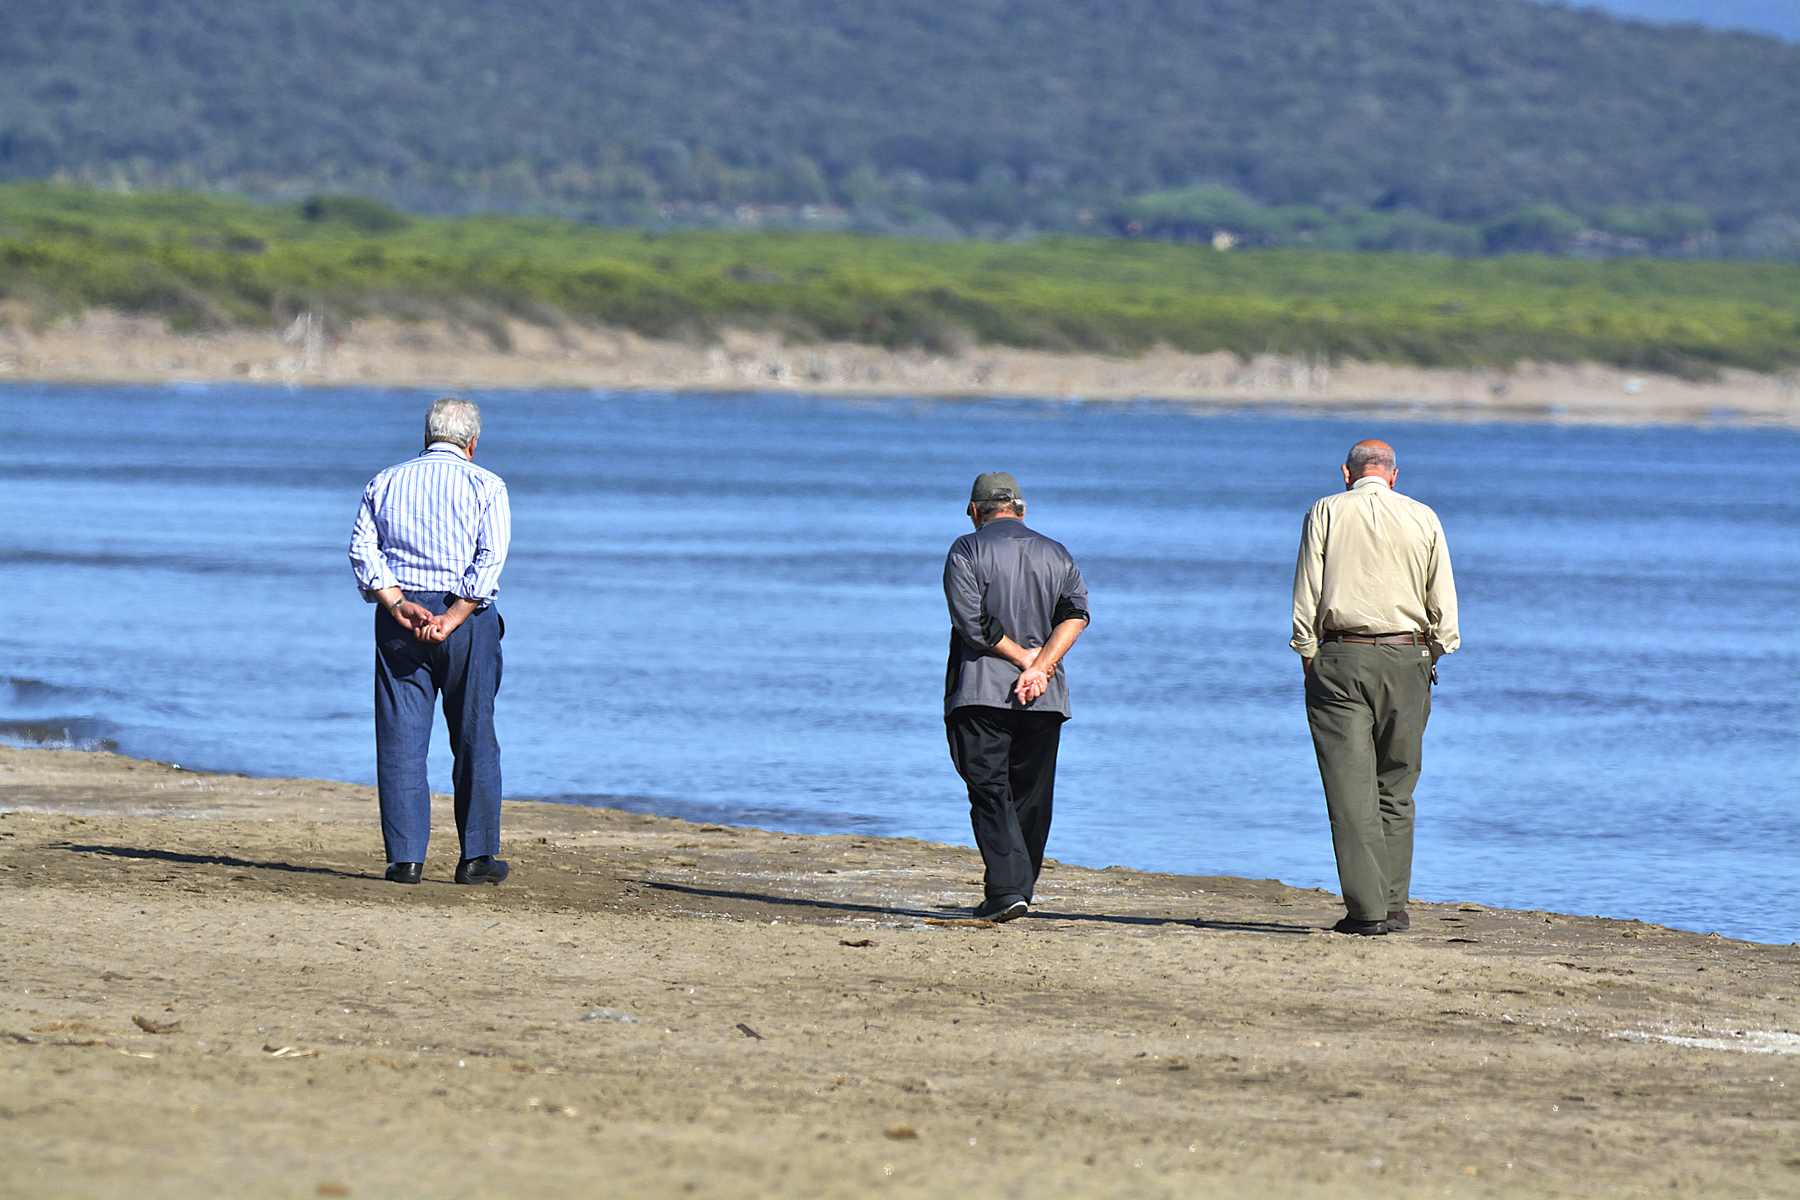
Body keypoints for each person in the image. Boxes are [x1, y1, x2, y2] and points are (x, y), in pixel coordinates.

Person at [1291, 439, 1459, 935]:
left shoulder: (1325, 510)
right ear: (1393, 474)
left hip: (1340, 653)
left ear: (1347, 472)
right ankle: (1393, 905)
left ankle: (1366, 914)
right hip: (1409, 654)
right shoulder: (1423, 516)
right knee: (1398, 785)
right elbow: (1442, 598)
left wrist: (1307, 650)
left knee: (1350, 789)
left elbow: (1308, 586)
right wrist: (1434, 650)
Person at [348, 397, 512, 886]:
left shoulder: (385, 480)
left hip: (402, 620)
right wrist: (455, 616)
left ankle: (405, 860)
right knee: (474, 735)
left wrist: (397, 603)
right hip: (465, 621)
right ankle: (477, 856)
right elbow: (489, 561)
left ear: (426, 436)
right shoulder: (487, 484)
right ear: (472, 443)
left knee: (400, 739)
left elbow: (362, 550)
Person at [943, 472, 1089, 923]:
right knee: (1031, 795)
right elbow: (1077, 614)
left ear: (974, 511)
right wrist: (1041, 665)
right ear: (1022, 511)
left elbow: (973, 622)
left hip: (981, 693)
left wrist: (1024, 658)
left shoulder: (966, 550)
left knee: (989, 790)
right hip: (1043, 696)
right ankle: (1015, 890)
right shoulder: (1057, 552)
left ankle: (1008, 891)